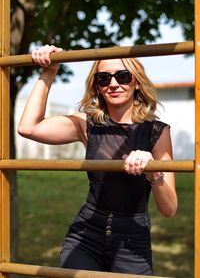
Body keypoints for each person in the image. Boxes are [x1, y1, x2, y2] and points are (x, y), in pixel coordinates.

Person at [18, 44, 178, 276]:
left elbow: (169, 209)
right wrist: (50, 71)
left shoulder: (157, 132)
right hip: (86, 235)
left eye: (122, 76)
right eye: (104, 78)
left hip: (132, 240)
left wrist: (153, 171)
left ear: (136, 81)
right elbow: (29, 128)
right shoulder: (88, 124)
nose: (113, 84)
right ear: (97, 86)